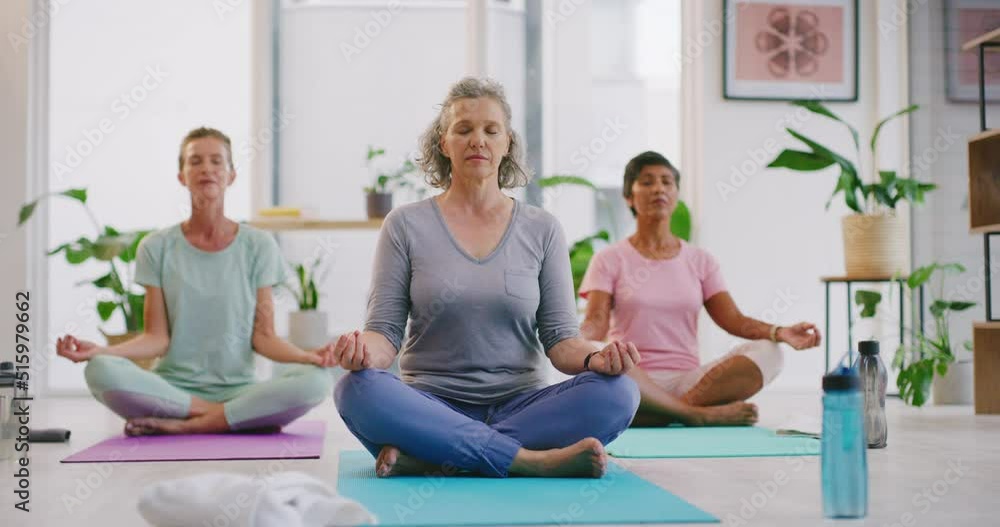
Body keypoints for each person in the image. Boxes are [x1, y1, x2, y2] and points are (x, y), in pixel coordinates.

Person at [332, 78, 641, 479]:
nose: (477, 139)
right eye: (463, 130)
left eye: (490, 130)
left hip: (523, 407)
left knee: (619, 393)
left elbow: (562, 341)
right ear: (444, 143)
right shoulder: (404, 225)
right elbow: (384, 334)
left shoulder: (542, 228)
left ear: (507, 142)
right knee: (354, 390)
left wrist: (594, 357)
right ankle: (531, 461)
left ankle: (436, 453)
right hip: (430, 405)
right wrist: (360, 354)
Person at [56, 127, 335, 436]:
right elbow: (156, 338)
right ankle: (218, 417)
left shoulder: (258, 245)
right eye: (195, 161)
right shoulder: (156, 247)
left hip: (239, 390)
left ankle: (191, 424)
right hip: (173, 391)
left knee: (317, 380)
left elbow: (264, 337)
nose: (206, 169)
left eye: (217, 161)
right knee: (99, 369)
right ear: (181, 175)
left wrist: (306, 356)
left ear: (231, 175)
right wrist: (100, 351)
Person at [579, 151, 821, 427]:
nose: (658, 188)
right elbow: (596, 323)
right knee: (598, 350)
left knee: (769, 351)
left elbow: (733, 320)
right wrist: (570, 340)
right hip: (632, 377)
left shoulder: (700, 260)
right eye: (647, 182)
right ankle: (697, 415)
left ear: (676, 194)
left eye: (666, 182)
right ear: (628, 197)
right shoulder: (609, 258)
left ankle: (666, 412)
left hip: (690, 382)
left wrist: (780, 332)